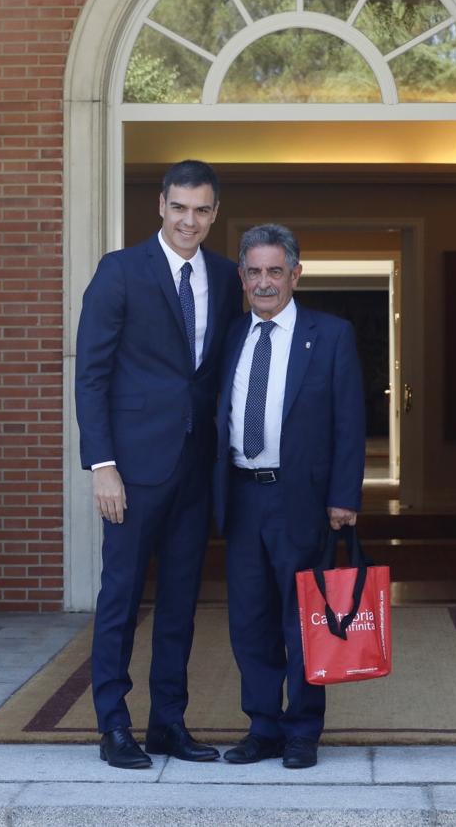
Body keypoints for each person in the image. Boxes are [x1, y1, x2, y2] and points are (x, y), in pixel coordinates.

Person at [75, 160, 243, 769]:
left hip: (197, 471)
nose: (189, 220)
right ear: (161, 206)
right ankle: (113, 725)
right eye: (180, 207)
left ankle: (168, 721)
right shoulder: (120, 272)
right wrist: (102, 465)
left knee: (180, 602)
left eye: (201, 210)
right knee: (120, 598)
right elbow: (91, 374)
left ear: (214, 213)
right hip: (131, 471)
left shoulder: (226, 278)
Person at [211, 223, 366, 769]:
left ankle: (302, 730)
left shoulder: (331, 335)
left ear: (295, 275)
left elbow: (349, 422)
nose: (264, 282)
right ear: (241, 277)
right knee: (249, 620)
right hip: (242, 497)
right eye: (253, 271)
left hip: (301, 500)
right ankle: (262, 727)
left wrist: (345, 496)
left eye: (275, 271)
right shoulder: (228, 335)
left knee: (303, 619)